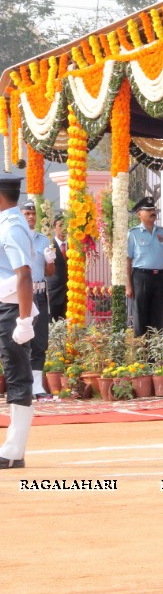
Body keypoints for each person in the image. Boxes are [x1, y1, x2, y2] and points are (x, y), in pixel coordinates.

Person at [0, 172, 38, 468]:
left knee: (17, 375)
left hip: (12, 310)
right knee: (14, 373)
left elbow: (24, 275)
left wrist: (24, 321)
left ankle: (13, 451)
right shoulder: (7, 224)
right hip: (6, 307)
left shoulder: (11, 227)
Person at [20, 201, 54, 400]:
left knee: (40, 340)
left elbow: (50, 273)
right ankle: (23, 385)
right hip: (22, 295)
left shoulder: (43, 240)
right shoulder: (16, 238)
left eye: (33, 213)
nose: (31, 217)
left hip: (40, 293)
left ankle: (37, 386)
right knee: (21, 339)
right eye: (27, 213)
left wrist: (50, 261)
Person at [125, 196, 163, 336]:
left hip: (159, 279)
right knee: (141, 316)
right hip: (141, 277)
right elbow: (127, 261)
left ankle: (155, 354)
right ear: (139, 214)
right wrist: (128, 285)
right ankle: (141, 354)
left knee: (158, 316)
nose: (153, 212)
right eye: (148, 210)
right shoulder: (133, 234)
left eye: (154, 209)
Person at [46, 209, 68, 322]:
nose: (64, 229)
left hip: (69, 294)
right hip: (54, 293)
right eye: (61, 226)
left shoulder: (74, 246)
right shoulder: (49, 245)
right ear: (54, 227)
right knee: (52, 326)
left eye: (66, 226)